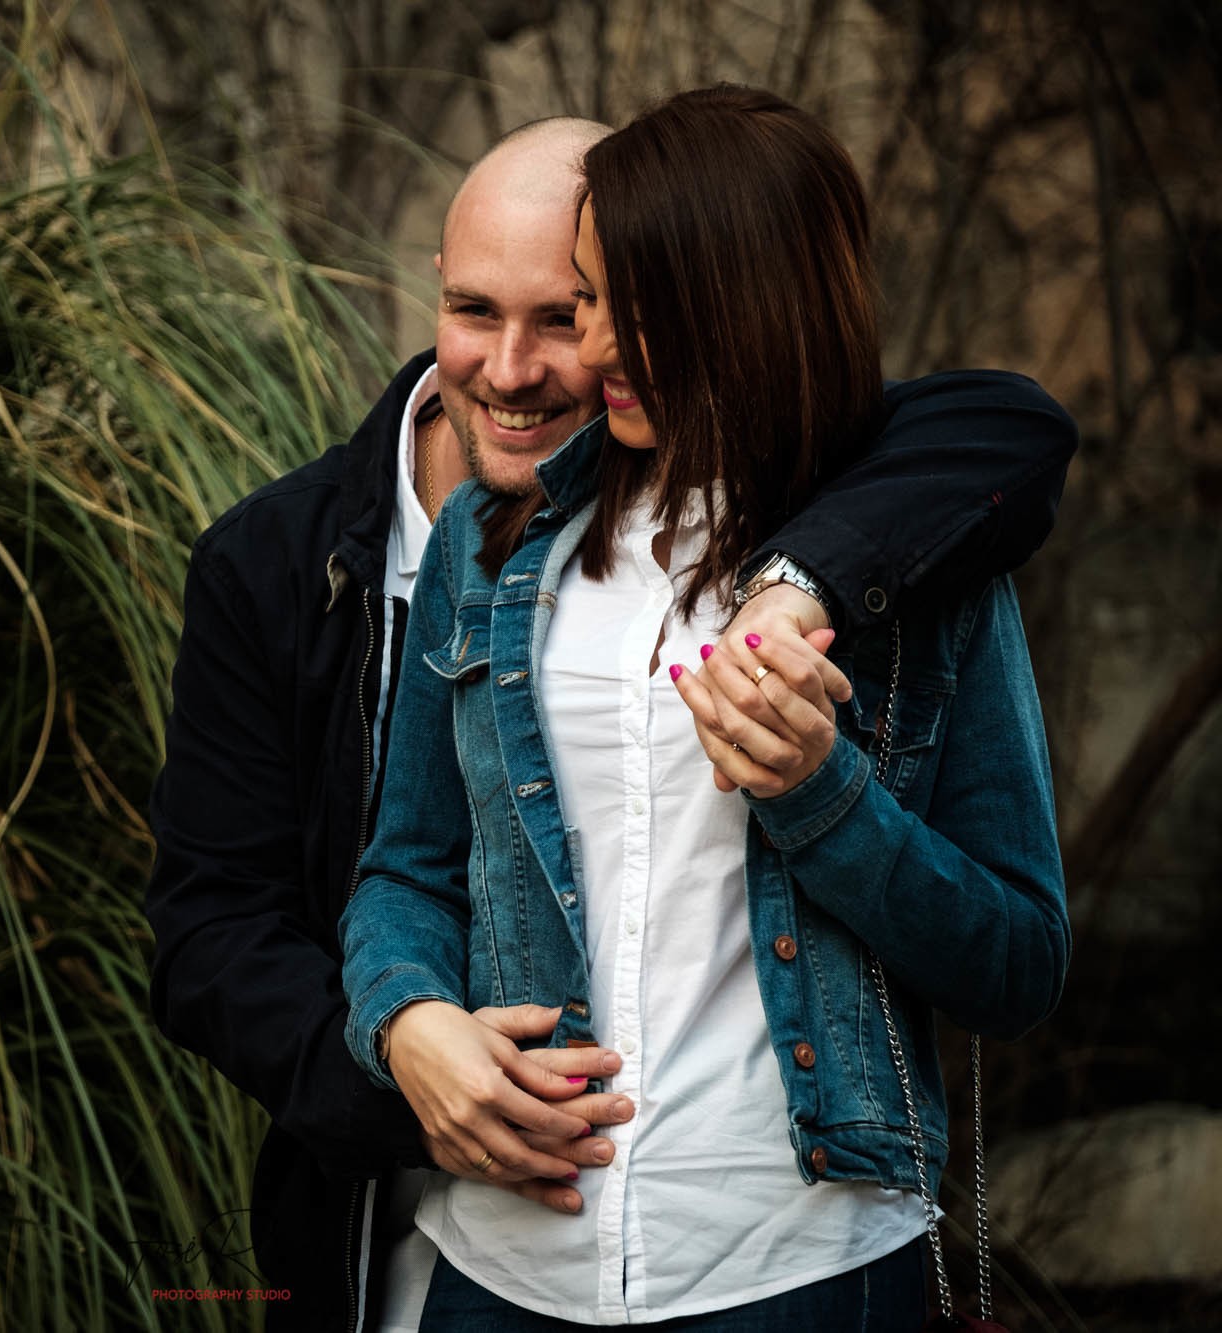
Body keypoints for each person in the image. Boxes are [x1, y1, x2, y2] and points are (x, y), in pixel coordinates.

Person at [146, 112, 1077, 1331]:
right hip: (498, 1269)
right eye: (580, 299)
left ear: (748, 302)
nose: (580, 348)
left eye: (605, 304)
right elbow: (397, 873)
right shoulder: (481, 551)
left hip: (791, 1267)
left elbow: (1016, 962)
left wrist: (816, 791)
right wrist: (403, 1019)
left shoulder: (916, 561)